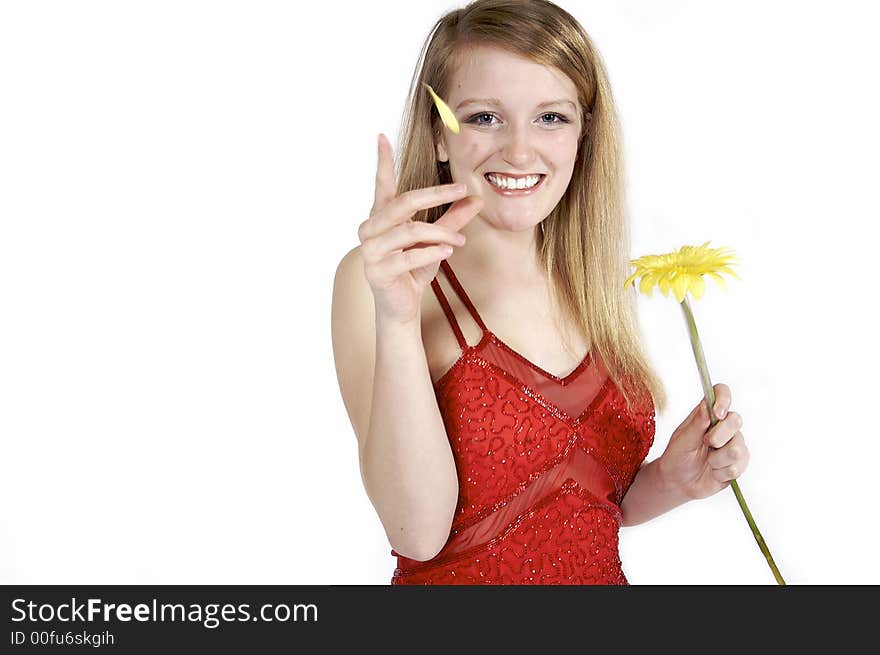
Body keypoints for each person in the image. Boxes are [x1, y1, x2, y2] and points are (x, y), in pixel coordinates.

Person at [331, 0, 749, 584]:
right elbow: (418, 534)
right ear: (439, 134)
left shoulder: (594, 278)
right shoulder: (381, 279)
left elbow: (583, 505)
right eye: (483, 118)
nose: (520, 151)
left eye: (550, 118)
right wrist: (398, 320)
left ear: (584, 134)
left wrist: (673, 482)